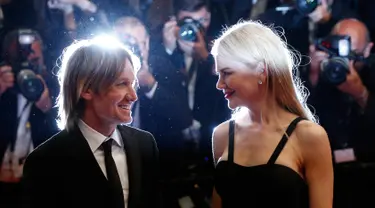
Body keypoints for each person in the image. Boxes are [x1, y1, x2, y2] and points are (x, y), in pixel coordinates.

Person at [22, 35, 161, 208]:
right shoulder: (45, 162)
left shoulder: (145, 144)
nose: (133, 96)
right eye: (122, 84)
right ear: (86, 89)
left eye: (132, 84)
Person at [210, 20, 333, 208]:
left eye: (227, 72)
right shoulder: (222, 135)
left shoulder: (309, 137)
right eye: (218, 74)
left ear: (261, 70)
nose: (219, 84)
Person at [0, 29, 58, 208]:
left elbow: (67, 136)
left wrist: (47, 107)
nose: (27, 66)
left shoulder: (55, 86)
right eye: (20, 60)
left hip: (39, 185)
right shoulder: (3, 87)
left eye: (34, 61)